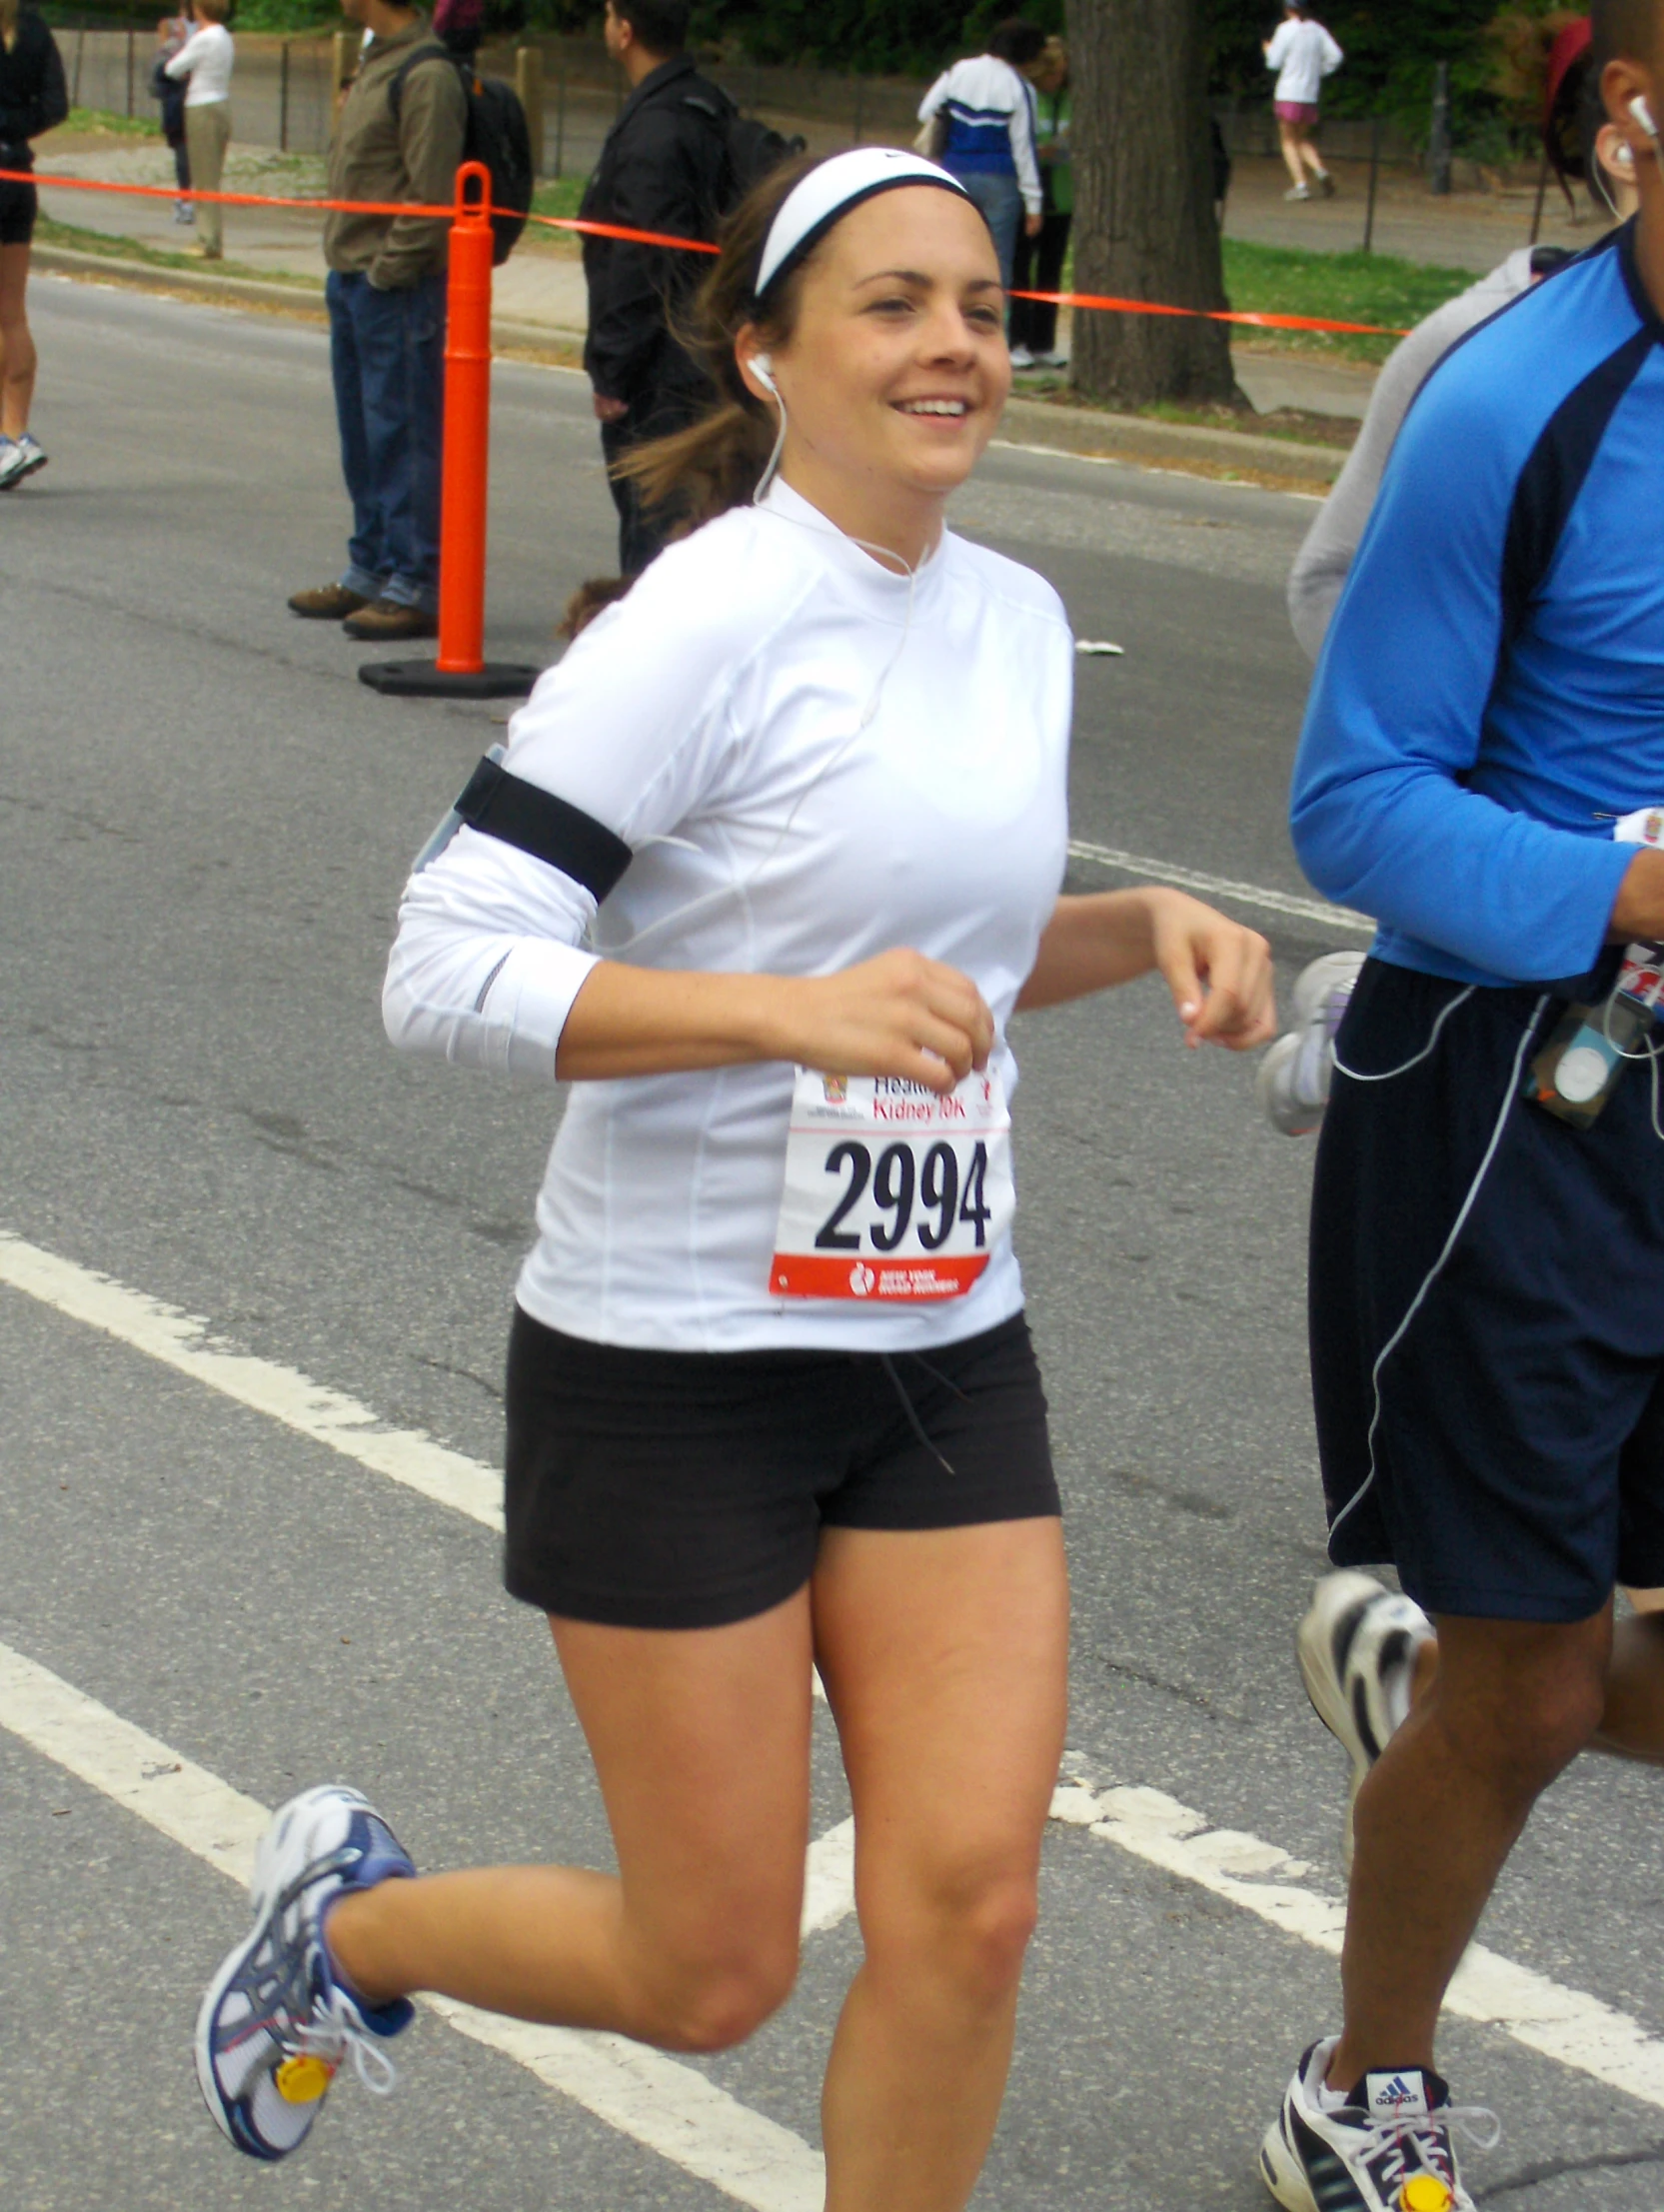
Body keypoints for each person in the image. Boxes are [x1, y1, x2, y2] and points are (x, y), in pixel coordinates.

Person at [194, 145, 1275, 2199]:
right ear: (769, 348)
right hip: (672, 1359)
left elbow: (922, 979)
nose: (953, 340)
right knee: (710, 1967)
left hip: (941, 1345)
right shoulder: (705, 617)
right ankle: (340, 1931)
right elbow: (444, 956)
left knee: (970, 1908)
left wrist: (1128, 925)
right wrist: (776, 1013)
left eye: (978, 298)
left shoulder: (1020, 621)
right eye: (892, 302)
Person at [1257, 4, 1664, 2205]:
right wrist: (1619, 883)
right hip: (1533, 1100)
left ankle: (1433, 1629)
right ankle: (1363, 2075)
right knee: (1518, 1699)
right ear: (1633, 134)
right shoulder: (1513, 392)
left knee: (1541, 1661)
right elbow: (1352, 794)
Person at [286, 0, 466, 643]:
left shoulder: (425, 75)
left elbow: (431, 192)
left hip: (395, 284)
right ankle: (373, 566)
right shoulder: (377, 62)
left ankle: (415, 581)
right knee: (363, 434)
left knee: (404, 433)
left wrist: (389, 270)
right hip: (356, 277)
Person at [581, 0, 736, 576]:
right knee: (695, 522)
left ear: (624, 31)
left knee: (655, 528)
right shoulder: (705, 104)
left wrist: (612, 369)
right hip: (705, 351)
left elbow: (643, 257)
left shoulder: (656, 126)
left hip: (663, 369)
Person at [917, 18, 1045, 290]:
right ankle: (996, 324)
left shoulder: (959, 71)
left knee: (947, 255)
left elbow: (926, 111)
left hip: (954, 173)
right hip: (1000, 180)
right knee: (996, 264)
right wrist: (1034, 204)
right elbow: (1024, 150)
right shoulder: (1020, 88)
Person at [0, 0, 65, 492]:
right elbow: (55, 104)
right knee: (12, 314)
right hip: (17, 173)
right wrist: (15, 127)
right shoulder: (35, 29)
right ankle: (14, 433)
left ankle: (6, 441)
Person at [1007, 34, 1070, 371]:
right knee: (1020, 270)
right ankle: (1014, 339)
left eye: (1062, 73)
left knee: (1051, 272)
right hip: (1027, 196)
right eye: (1052, 73)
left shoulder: (1069, 101)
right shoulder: (1026, 98)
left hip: (1061, 196)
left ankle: (1042, 341)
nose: (1057, 80)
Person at [164, 0, 233, 261]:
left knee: (204, 178)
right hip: (221, 103)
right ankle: (210, 236)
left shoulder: (203, 38)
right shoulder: (225, 36)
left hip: (201, 106)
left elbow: (173, 68)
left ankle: (208, 240)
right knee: (211, 175)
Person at [1263, 1, 1342, 203]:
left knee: (1288, 140)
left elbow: (1273, 63)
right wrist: (1318, 71)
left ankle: (1301, 185)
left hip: (1289, 92)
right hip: (1310, 93)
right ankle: (1320, 170)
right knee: (1302, 138)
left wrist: (1268, 50)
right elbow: (1336, 56)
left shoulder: (1285, 29)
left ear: (1287, 9)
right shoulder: (1317, 30)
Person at [153, 8, 194, 225]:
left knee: (183, 159)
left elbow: (156, 86)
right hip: (182, 109)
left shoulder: (168, 52)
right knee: (188, 158)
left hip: (177, 112)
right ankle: (189, 200)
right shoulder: (186, 47)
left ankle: (186, 201)